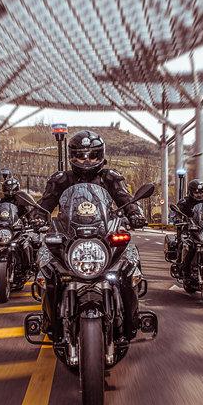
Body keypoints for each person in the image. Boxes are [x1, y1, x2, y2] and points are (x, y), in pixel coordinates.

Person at [35, 130, 147, 341]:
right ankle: (50, 321)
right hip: (70, 237)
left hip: (104, 235)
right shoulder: (61, 180)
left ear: (101, 155)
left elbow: (124, 197)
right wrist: (37, 216)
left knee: (128, 264)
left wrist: (135, 213)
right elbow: (46, 202)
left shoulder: (110, 178)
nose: (86, 161)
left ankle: (132, 319)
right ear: (71, 156)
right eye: (80, 156)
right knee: (48, 267)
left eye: (92, 155)